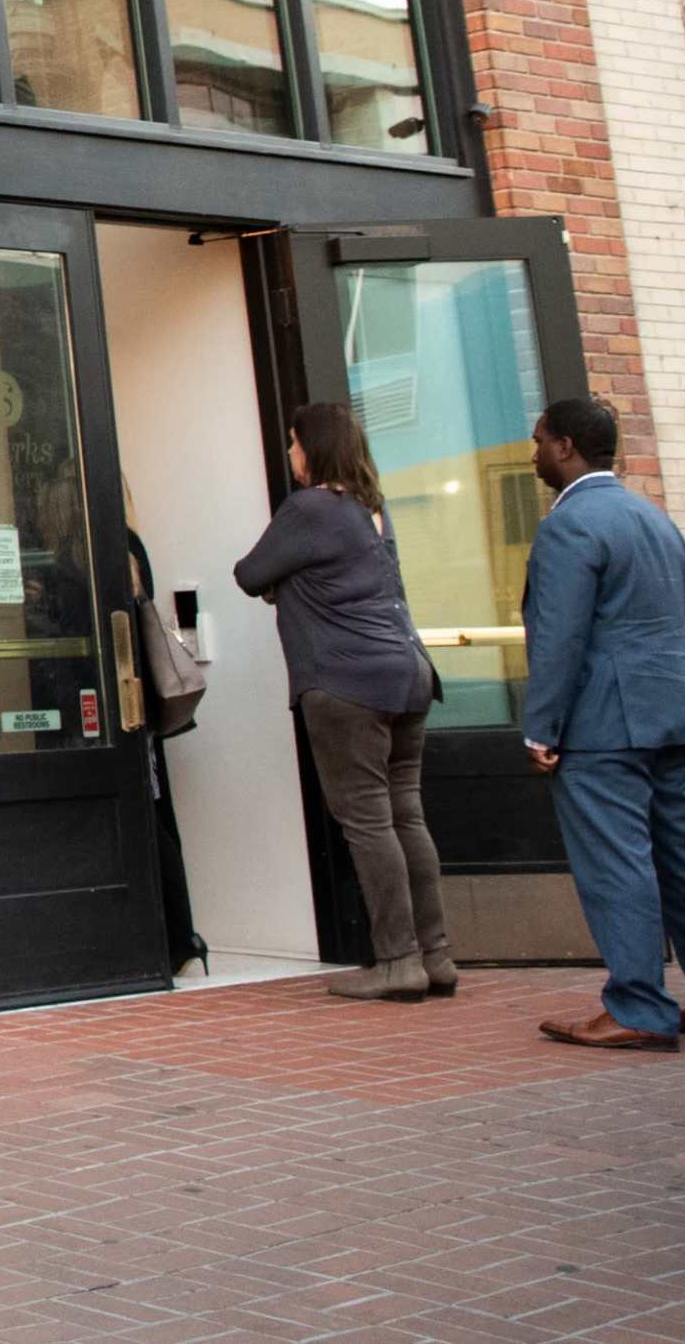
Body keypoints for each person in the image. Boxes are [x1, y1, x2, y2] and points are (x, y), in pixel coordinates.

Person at [520, 395, 685, 1052]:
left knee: (617, 863)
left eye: (540, 438)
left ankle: (638, 1007)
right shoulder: (655, 519)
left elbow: (561, 636)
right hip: (675, 712)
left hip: (603, 725)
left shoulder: (571, 524)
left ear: (567, 445)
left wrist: (541, 726)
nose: (533, 450)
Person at [234, 401, 451, 1002]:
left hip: (346, 681)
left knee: (368, 820)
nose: (289, 453)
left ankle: (398, 962)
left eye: (294, 443)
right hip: (408, 675)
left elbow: (249, 573)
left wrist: (284, 582)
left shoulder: (308, 509)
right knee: (405, 813)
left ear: (314, 448)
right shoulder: (371, 509)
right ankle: (435, 956)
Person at [125, 526, 204, 976]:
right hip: (139, 704)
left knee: (149, 819)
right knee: (153, 815)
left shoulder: (107, 542)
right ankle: (180, 940)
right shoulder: (132, 542)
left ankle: (178, 939)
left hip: (127, 704)